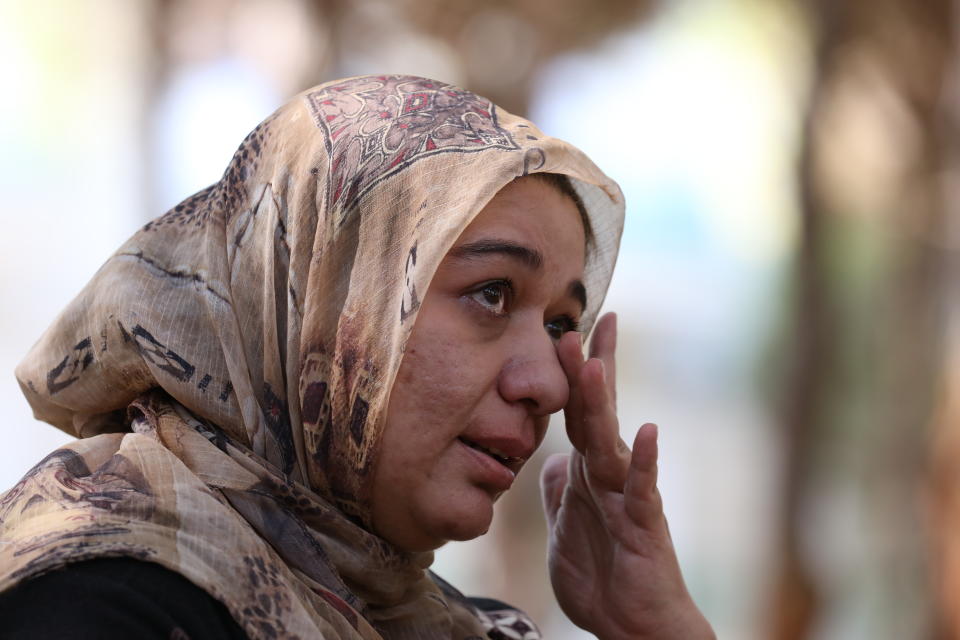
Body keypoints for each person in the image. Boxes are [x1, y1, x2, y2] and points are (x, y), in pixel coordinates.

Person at [0, 74, 713, 639]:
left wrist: (656, 627)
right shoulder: (96, 603)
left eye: (562, 321)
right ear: (328, 300)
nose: (550, 384)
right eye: (492, 293)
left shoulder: (440, 623)